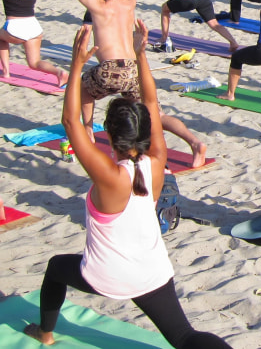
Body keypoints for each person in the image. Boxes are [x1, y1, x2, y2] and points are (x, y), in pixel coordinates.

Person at [24, 23, 231, 349]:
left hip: (107, 276)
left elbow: (70, 122)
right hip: (152, 272)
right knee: (185, 337)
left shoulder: (108, 174)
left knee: (55, 268)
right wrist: (140, 55)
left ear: (110, 133)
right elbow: (151, 101)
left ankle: (45, 333)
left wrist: (77, 65)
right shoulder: (158, 161)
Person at [61, 0, 207, 167]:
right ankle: (195, 143)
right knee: (156, 115)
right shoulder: (129, 0)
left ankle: (87, 130)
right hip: (133, 70)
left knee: (82, 88)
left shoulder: (98, 5)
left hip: (109, 70)